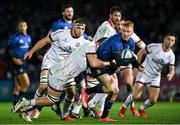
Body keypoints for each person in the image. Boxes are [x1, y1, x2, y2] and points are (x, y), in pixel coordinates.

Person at [13, 40, 113, 122]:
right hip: (61, 73)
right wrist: (109, 63)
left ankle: (27, 111)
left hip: (63, 72)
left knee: (70, 93)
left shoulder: (90, 46)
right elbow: (94, 64)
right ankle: (25, 102)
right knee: (51, 100)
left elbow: (91, 65)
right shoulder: (92, 46)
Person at [24, 18, 90, 120]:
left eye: (83, 29)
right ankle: (31, 110)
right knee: (43, 86)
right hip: (50, 61)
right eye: (79, 28)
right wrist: (31, 51)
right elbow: (45, 40)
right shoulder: (61, 33)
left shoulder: (83, 42)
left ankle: (64, 115)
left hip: (63, 67)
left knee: (71, 92)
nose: (81, 31)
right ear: (73, 27)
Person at [87, 6, 145, 117]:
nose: (118, 19)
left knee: (117, 87)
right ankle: (93, 104)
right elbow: (101, 44)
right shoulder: (109, 30)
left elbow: (141, 46)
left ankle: (95, 104)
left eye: (119, 16)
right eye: (115, 16)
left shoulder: (129, 37)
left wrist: (138, 64)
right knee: (113, 89)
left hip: (116, 60)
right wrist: (132, 59)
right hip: (104, 60)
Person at [119, 33, 176, 118]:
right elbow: (141, 52)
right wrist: (136, 66)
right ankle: (123, 107)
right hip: (144, 73)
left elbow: (172, 70)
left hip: (155, 77)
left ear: (174, 42)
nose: (170, 42)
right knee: (136, 96)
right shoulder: (154, 46)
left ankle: (142, 108)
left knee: (153, 100)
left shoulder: (171, 55)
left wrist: (170, 75)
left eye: (172, 40)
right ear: (164, 39)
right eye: (168, 39)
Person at [8, 20, 32, 120]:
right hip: (16, 64)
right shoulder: (14, 38)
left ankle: (16, 105)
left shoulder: (29, 38)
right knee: (26, 83)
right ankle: (19, 104)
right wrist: (14, 58)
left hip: (24, 63)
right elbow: (8, 50)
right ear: (18, 27)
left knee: (18, 86)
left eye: (24, 25)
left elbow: (28, 50)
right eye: (21, 26)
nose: (23, 27)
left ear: (27, 27)